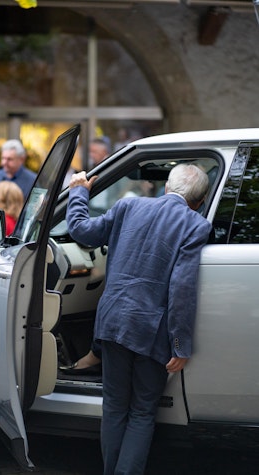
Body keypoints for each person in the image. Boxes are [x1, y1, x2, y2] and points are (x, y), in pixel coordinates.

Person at [66, 164, 212, 475]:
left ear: (167, 189)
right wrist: (179, 345)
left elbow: (80, 230)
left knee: (114, 408)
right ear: (199, 202)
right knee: (142, 412)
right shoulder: (195, 225)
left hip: (113, 323)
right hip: (151, 332)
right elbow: (181, 289)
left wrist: (79, 190)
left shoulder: (127, 205)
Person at [0, 139, 36, 208]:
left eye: (9, 159)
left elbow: (32, 210)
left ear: (21, 159)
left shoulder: (32, 180)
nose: (4, 163)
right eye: (3, 158)